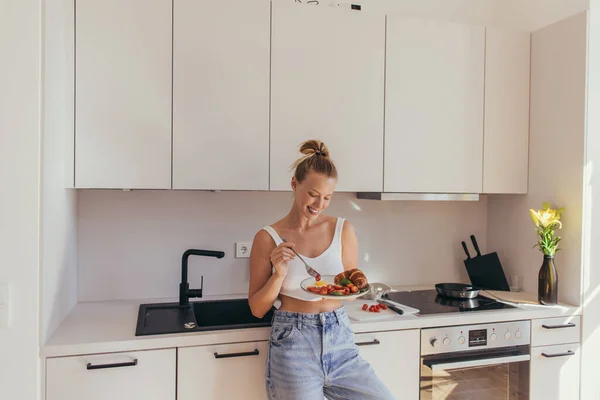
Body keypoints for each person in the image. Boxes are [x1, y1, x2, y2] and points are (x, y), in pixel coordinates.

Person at [248, 140, 395, 400]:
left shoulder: (342, 230)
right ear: (295, 184)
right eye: (313, 194)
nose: (319, 204)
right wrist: (278, 273)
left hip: (340, 337)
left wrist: (352, 289)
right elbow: (257, 308)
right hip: (293, 341)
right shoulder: (267, 237)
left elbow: (353, 285)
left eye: (327, 197)